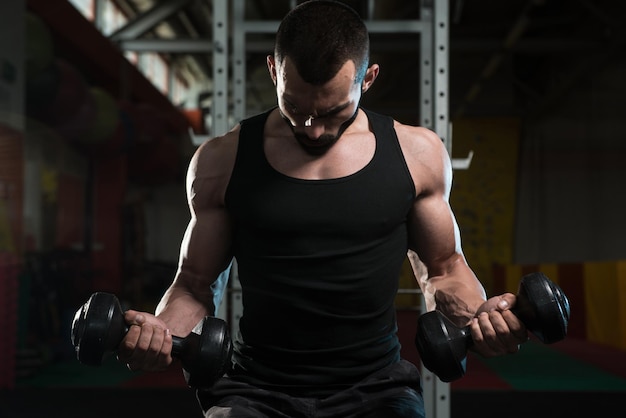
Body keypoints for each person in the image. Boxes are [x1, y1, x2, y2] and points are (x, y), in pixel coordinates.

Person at [116, 1, 528, 416]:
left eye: (333, 112)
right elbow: (194, 283)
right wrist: (161, 334)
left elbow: (443, 268)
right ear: (274, 72)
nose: (311, 127)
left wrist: (480, 318)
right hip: (256, 388)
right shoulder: (221, 161)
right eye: (294, 107)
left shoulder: (416, 154)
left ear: (368, 79)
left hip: (376, 388)